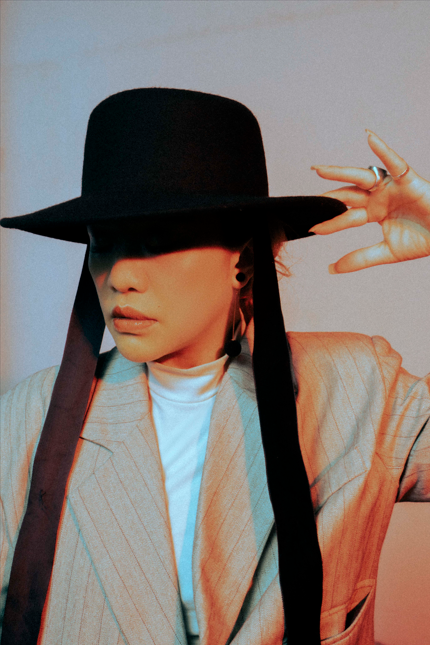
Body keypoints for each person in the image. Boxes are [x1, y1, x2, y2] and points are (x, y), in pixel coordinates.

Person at [0, 88, 429, 645]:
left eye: (157, 243)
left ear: (243, 263)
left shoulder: (360, 387)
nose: (120, 277)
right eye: (103, 243)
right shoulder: (28, 417)